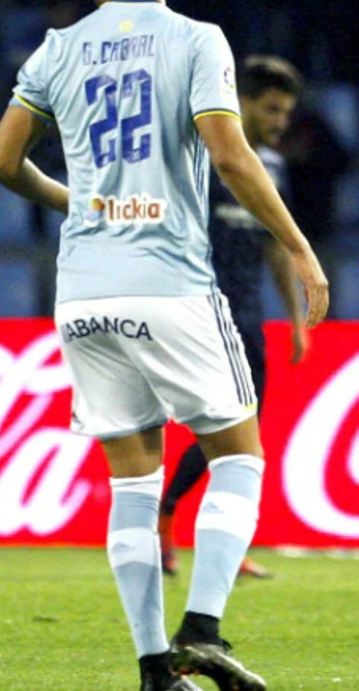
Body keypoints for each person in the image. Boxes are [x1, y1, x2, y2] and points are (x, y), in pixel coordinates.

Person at [0, 0, 329, 691]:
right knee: (238, 454)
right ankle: (202, 625)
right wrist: (301, 245)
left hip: (83, 297)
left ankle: (151, 668)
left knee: (132, 482)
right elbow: (230, 152)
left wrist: (77, 201)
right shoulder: (196, 40)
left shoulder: (57, 49)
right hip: (170, 282)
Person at [160, 55, 309, 581]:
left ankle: (217, 538)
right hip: (201, 308)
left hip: (247, 316)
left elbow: (274, 242)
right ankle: (168, 518)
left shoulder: (271, 166)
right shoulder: (202, 155)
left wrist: (293, 316)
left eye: (285, 113)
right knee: (226, 437)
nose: (279, 122)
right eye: (271, 109)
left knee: (241, 438)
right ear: (241, 103)